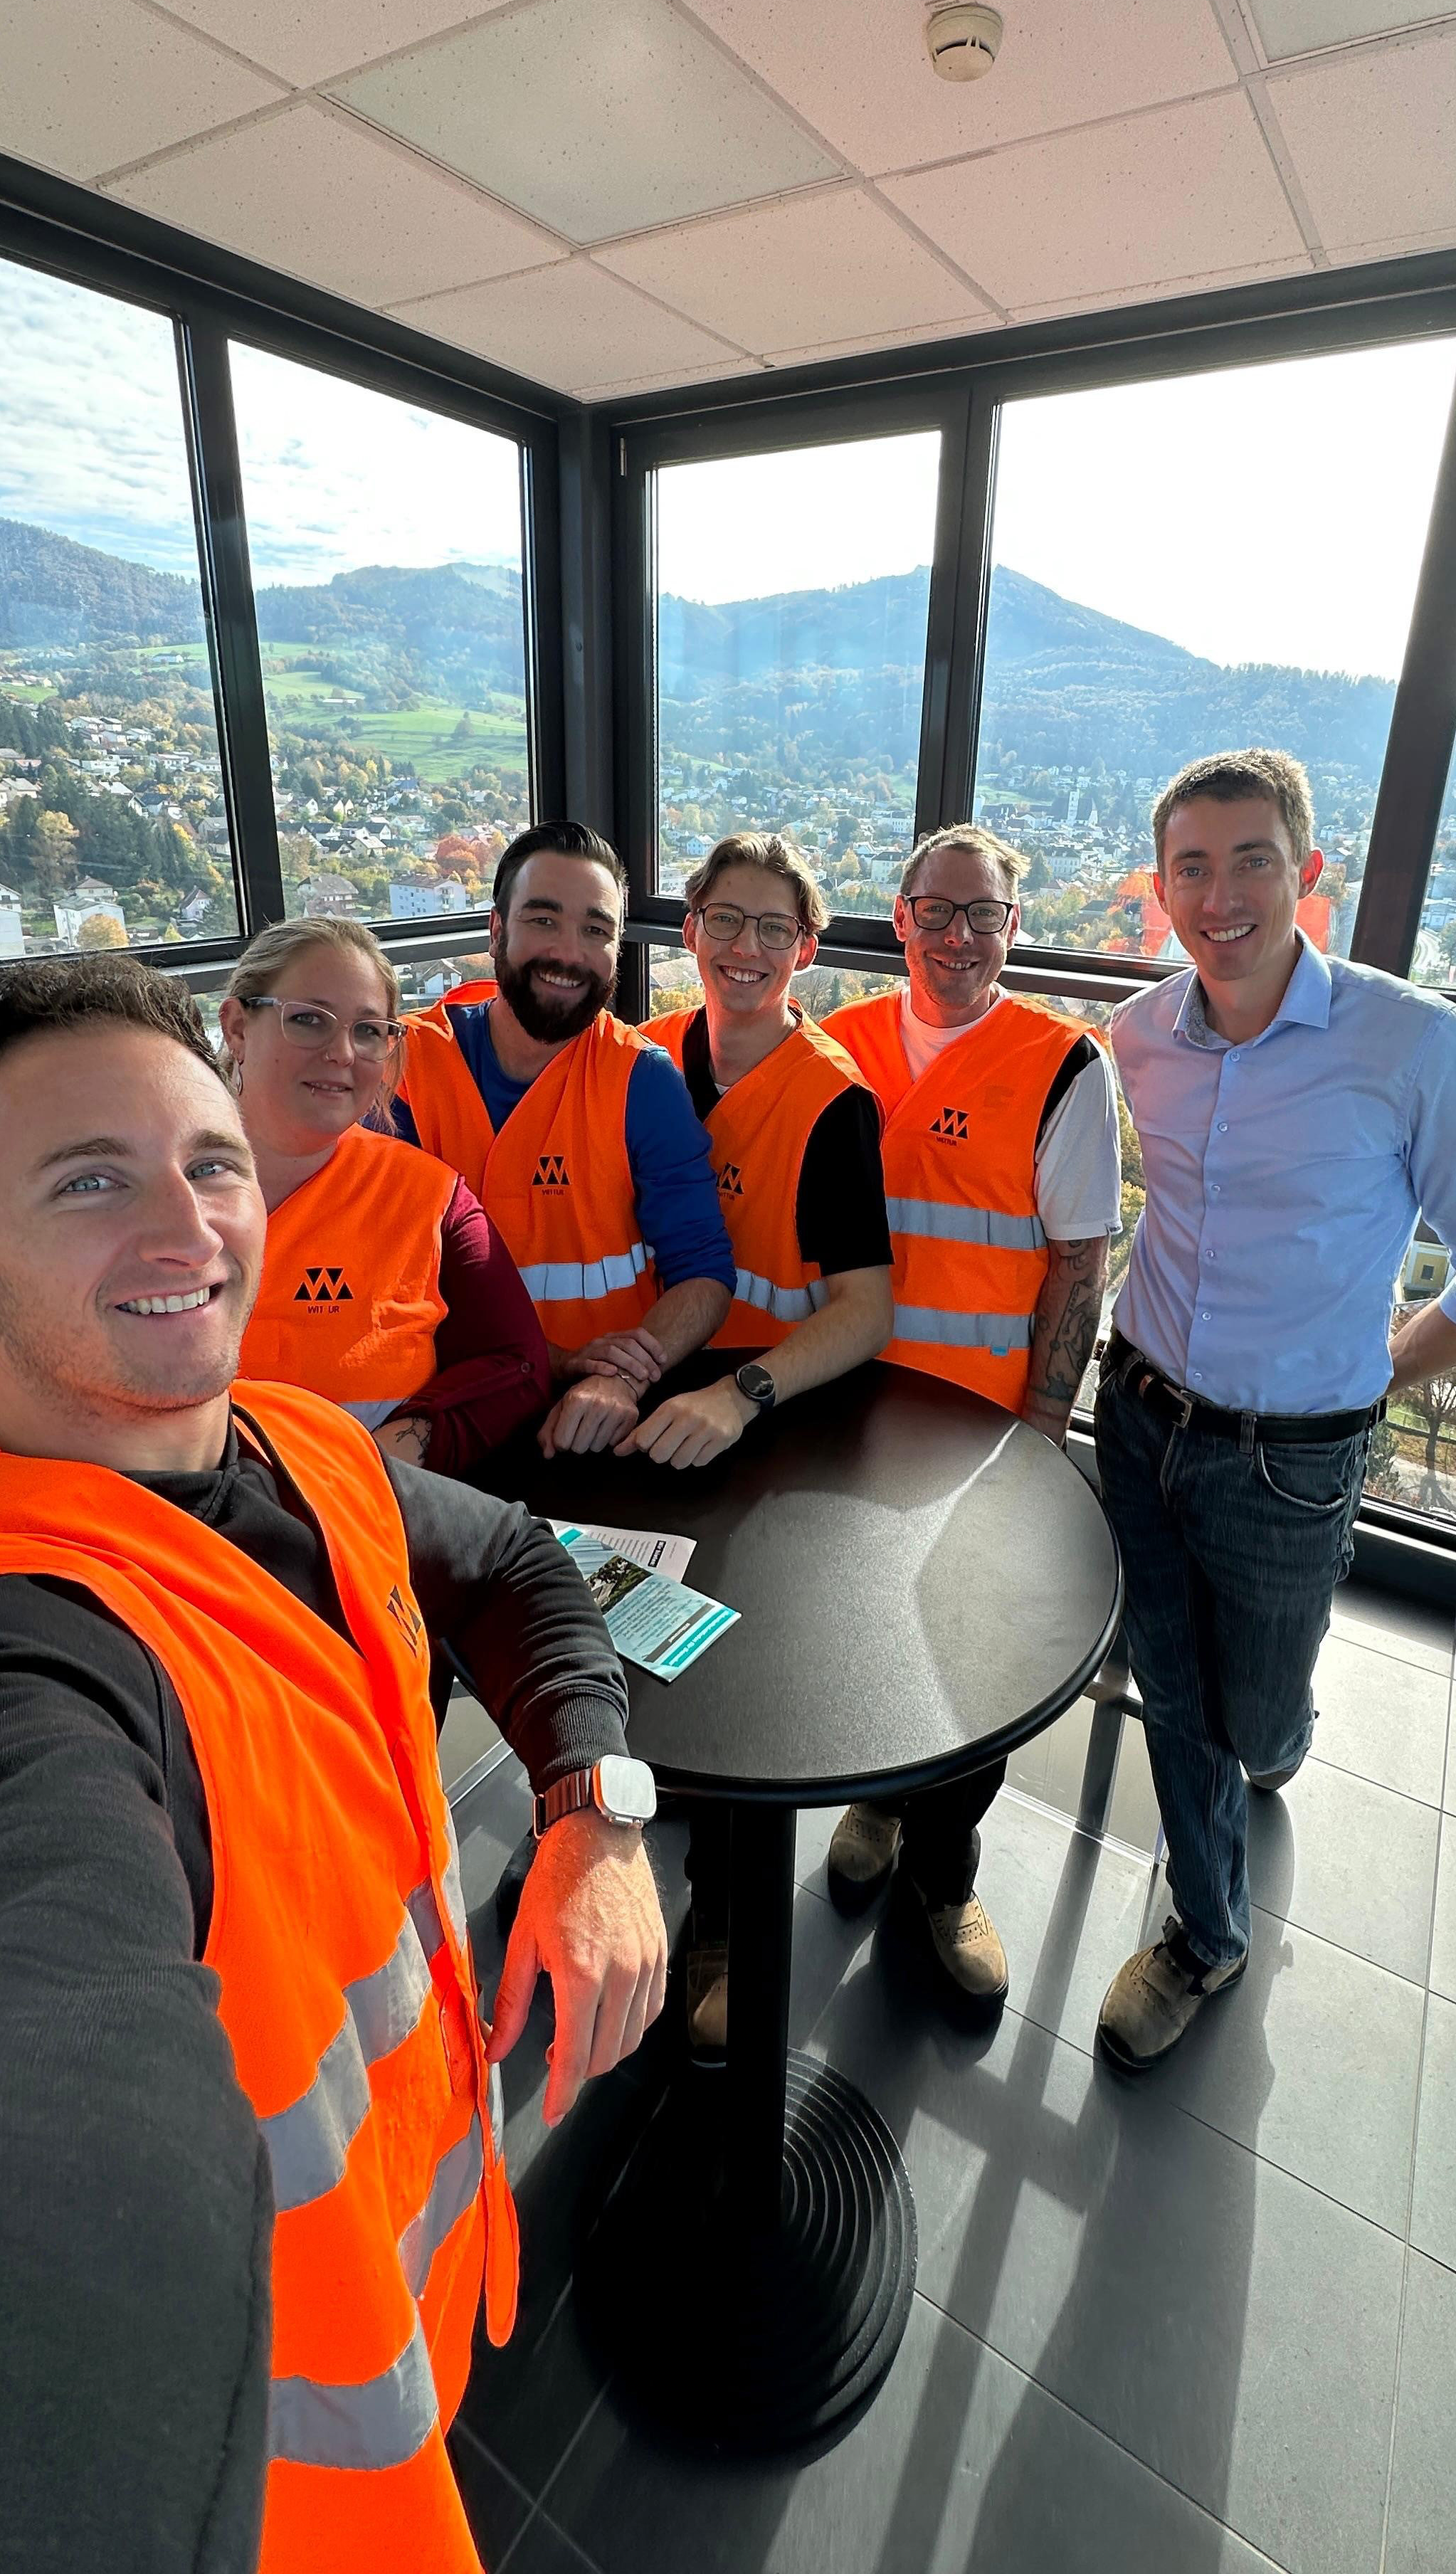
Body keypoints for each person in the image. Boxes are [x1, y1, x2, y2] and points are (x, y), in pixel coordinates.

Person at [0, 957, 667, 2570]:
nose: (188, 1227)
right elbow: (48, 2112)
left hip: (411, 2276)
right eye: (90, 1181)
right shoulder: (25, 1651)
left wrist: (592, 1814)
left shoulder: (304, 1445)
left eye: (210, 1164)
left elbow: (514, 1568)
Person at [1093, 749, 1456, 2072]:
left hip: (1290, 1462)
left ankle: (1277, 1735)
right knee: (1173, 1692)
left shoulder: (1410, 1047)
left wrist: (1377, 1381)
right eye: (1191, 864)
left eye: (1251, 860)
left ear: (1307, 877)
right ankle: (1206, 1932)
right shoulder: (1139, 1037)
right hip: (1136, 1409)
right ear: (1161, 887)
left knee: (1253, 1712)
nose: (1219, 892)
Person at [821, 826, 1122, 2015]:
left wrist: (1045, 1420)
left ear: (1011, 922)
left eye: (982, 914)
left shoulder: (1059, 1065)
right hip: (842, 1416)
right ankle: (876, 1801)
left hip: (984, 1427)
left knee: (975, 1656)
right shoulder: (833, 1045)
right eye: (935, 912)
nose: (957, 936)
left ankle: (942, 1874)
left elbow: (1078, 1261)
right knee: (856, 1627)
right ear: (898, 917)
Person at [633, 830, 895, 2051]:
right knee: (625, 1647)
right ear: (689, 930)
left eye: (772, 929)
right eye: (723, 921)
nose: (745, 948)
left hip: (762, 1418)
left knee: (731, 1684)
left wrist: (739, 1397)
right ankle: (616, 1833)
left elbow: (863, 1306)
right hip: (639, 1402)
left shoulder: (832, 1099)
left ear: (806, 946)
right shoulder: (640, 1061)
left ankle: (720, 1923)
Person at [393, 821, 734, 1462]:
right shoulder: (405, 1070)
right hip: (437, 1419)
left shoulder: (641, 1080)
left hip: (595, 1430)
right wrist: (559, 1361)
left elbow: (705, 1272)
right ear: (496, 930)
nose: (570, 953)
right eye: (544, 921)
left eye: (596, 931)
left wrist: (616, 1376)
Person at [222, 917, 550, 1477]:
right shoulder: (150, 1194)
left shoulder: (430, 1199)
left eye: (370, 1030)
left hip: (373, 1525)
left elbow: (517, 1365)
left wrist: (390, 1456)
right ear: (236, 1027)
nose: (343, 1053)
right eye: (308, 1020)